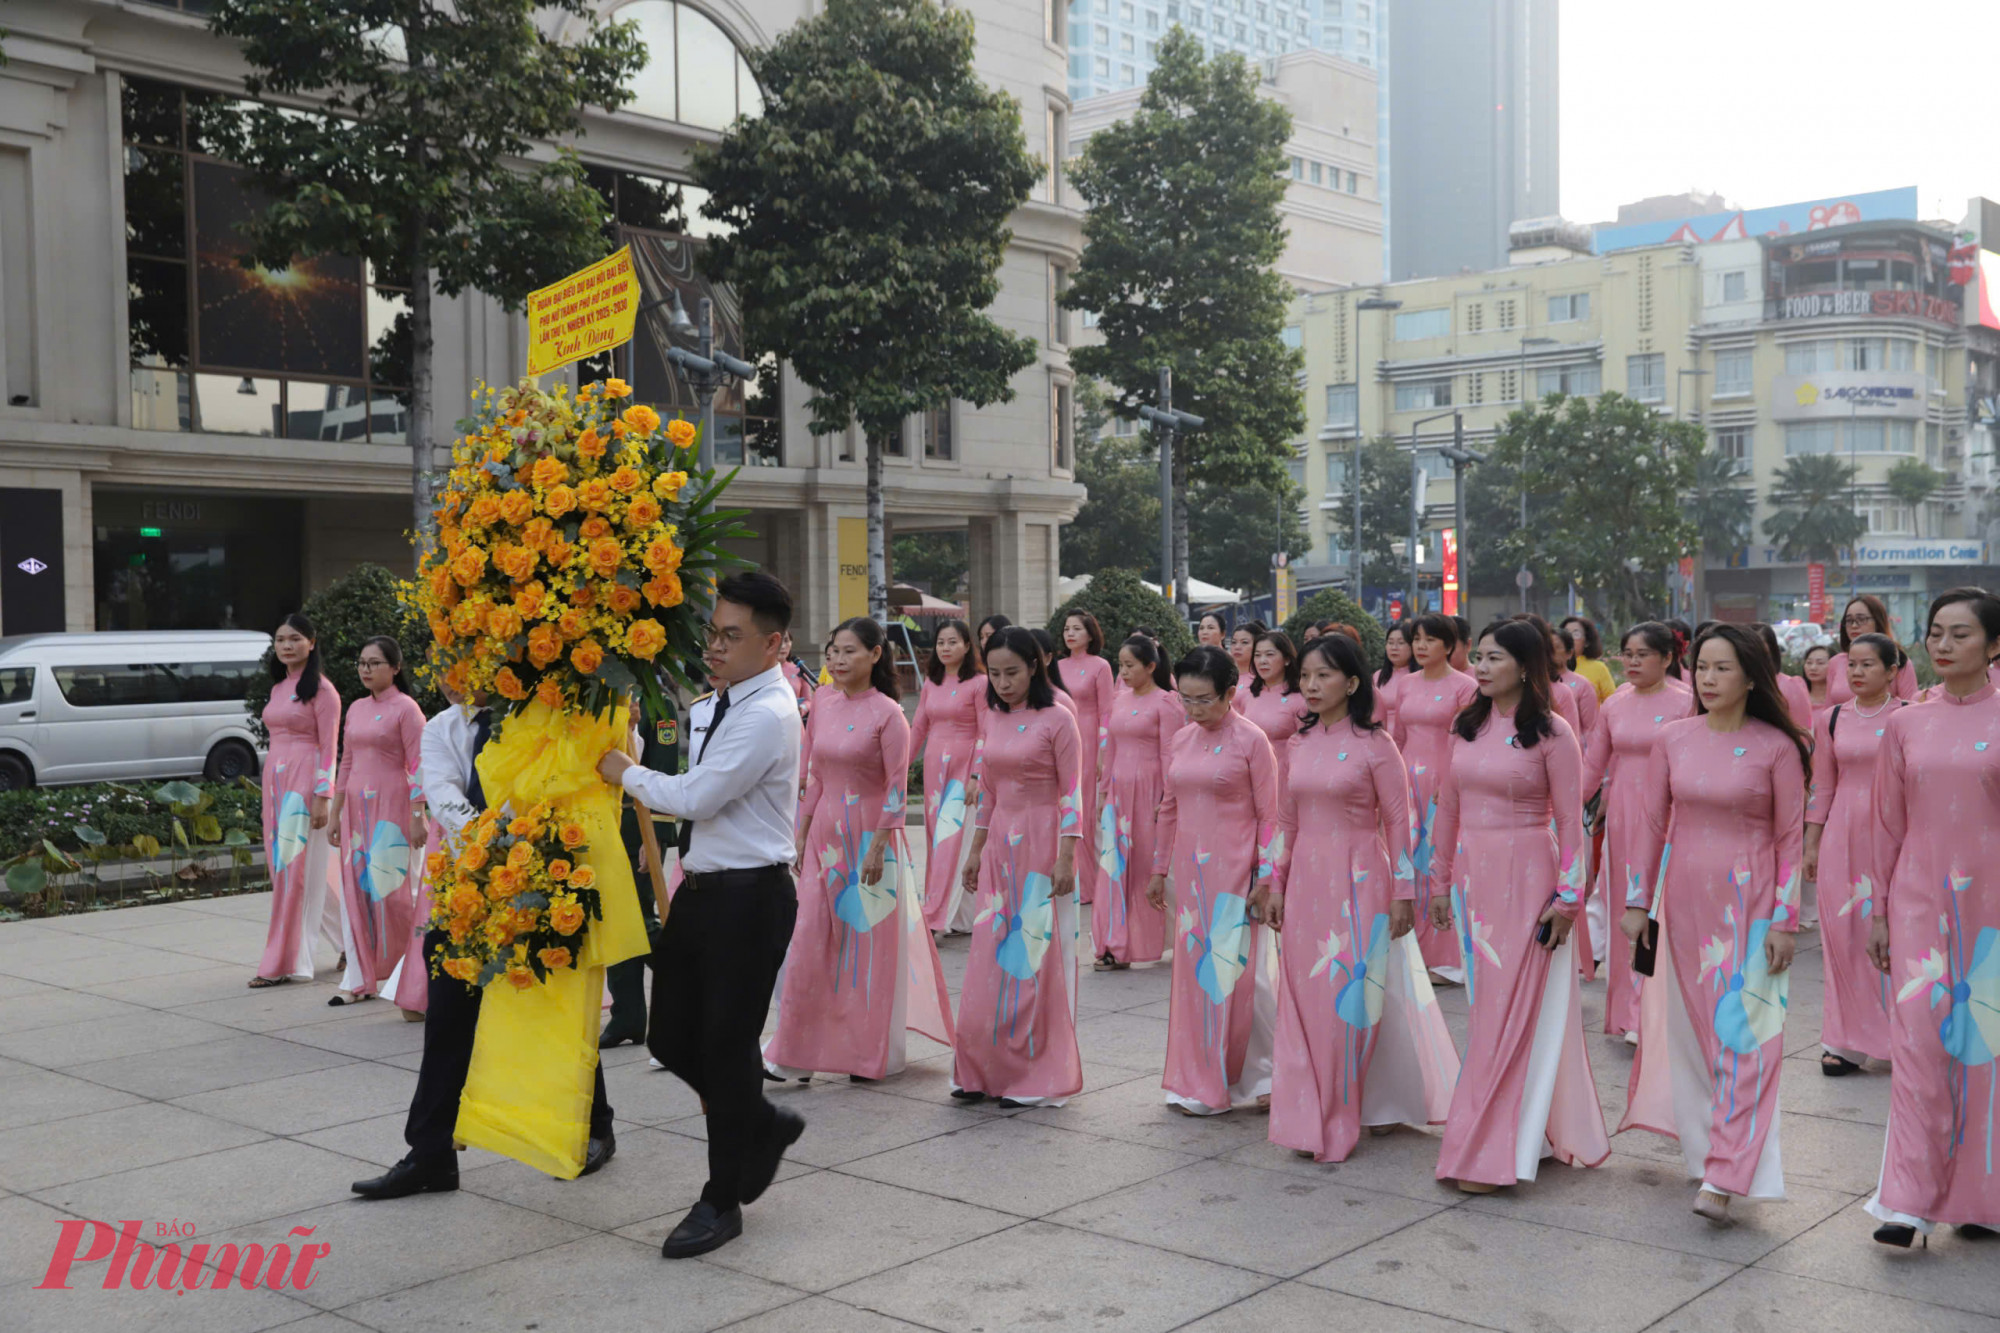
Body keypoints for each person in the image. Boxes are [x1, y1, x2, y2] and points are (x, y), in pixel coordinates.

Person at [596, 571, 807, 1259]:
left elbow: (700, 795)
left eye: (731, 635)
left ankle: (721, 1199)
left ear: (774, 644)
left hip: (752, 896)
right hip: (704, 887)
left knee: (724, 1045)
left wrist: (622, 769)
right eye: (713, 632)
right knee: (669, 1038)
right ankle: (761, 1121)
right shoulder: (716, 701)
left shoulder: (769, 712)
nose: (714, 646)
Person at [353, 685, 620, 1203]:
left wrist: (532, 855)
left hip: (540, 880)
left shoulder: (539, 719)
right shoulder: (441, 728)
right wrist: (502, 847)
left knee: (552, 1008)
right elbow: (446, 796)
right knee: (448, 1022)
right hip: (470, 892)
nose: (456, 672)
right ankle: (430, 1154)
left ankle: (593, 1126)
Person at [1620, 623, 1809, 1229]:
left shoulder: (1777, 748)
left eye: (1723, 668)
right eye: (1702, 666)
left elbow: (1789, 842)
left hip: (1752, 906)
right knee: (1703, 1036)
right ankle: (1711, 1154)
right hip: (1685, 905)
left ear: (1752, 677)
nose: (1708, 677)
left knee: (1747, 1038)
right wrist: (1636, 902)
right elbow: (1650, 827)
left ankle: (1728, 1174)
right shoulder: (1673, 739)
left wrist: (1786, 920)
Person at [1267, 633, 1459, 1162]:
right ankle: (1309, 1111)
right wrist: (1274, 884)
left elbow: (1401, 823)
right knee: (1306, 997)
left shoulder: (1377, 745)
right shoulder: (1297, 744)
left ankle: (1339, 1114)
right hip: (1305, 880)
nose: (1310, 685)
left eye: (1322, 675)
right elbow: (1285, 821)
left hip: (1360, 881)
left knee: (1351, 1000)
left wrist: (1404, 893)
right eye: (1304, 676)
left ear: (1352, 683)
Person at [1428, 620, 1603, 1193]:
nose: (1478, 666)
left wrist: (1570, 900)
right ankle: (1525, 1133)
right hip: (1474, 881)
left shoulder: (1553, 732)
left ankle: (1493, 1151)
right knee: (1486, 1013)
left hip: (1530, 876)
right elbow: (1447, 809)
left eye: (1493, 658)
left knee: (1513, 1013)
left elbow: (1571, 823)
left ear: (1525, 667)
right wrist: (1438, 881)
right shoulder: (1466, 727)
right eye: (1477, 656)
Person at [1861, 586, 2000, 1247]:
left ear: (1994, 644)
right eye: (1936, 633)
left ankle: (1981, 1195)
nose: (1942, 645)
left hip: (1992, 912)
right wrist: (1879, 911)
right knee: (1918, 1047)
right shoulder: (1906, 723)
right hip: (1917, 905)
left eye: (1960, 634)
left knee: (1984, 1052)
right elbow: (1885, 826)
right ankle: (1909, 1202)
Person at [764, 617, 951, 1083]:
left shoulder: (890, 713)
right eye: (833, 651)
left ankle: (869, 1054)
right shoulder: (823, 702)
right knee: (809, 941)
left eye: (849, 651)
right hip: (825, 836)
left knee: (867, 949)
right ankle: (795, 1055)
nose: (838, 660)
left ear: (875, 654)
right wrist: (801, 832)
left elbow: (895, 786)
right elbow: (815, 775)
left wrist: (879, 847)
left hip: (872, 840)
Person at [950, 626, 1085, 1107]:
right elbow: (987, 791)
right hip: (1000, 844)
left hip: (1043, 841)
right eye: (995, 673)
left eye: (1013, 672)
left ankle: (1033, 1072)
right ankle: (981, 1069)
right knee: (989, 953)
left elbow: (1073, 791)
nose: (1004, 682)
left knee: (1034, 953)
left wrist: (1067, 856)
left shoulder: (1058, 718)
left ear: (1035, 666)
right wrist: (974, 850)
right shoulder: (993, 716)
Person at [1147, 646, 1281, 1116]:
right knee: (1198, 978)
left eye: (1204, 699)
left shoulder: (1252, 741)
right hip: (1192, 875)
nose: (1193, 709)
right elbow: (1169, 807)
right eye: (1185, 699)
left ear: (1229, 693)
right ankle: (1202, 1076)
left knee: (1241, 979)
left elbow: (1271, 817)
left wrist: (1267, 879)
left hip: (1237, 873)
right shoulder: (1182, 739)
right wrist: (1158, 868)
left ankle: (1260, 1073)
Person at [1579, 622, 1693, 1036]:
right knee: (1622, 908)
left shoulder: (1687, 703)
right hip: (1624, 817)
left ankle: (1654, 1013)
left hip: (1670, 817)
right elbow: (1592, 765)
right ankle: (1630, 1014)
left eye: (1642, 654)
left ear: (1667, 658)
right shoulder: (1615, 705)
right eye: (1627, 653)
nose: (1632, 661)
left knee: (1657, 909)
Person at [1802, 632, 1903, 1078]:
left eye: (1868, 665)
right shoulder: (1831, 719)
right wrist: (1811, 842)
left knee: (1895, 936)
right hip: (1842, 837)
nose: (1856, 673)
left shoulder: (1910, 718)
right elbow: (1822, 785)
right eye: (1851, 666)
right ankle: (1842, 1042)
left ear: (1892, 671)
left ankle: (1901, 1036)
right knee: (1842, 938)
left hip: (1896, 837)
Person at [325, 637, 426, 1006]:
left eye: (375, 663)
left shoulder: (407, 709)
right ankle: (360, 977)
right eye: (362, 663)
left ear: (395, 668)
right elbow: (346, 762)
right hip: (355, 812)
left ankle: (404, 974)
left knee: (394, 893)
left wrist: (418, 816)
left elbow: (418, 767)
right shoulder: (355, 708)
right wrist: (335, 813)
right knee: (358, 893)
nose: (366, 669)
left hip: (393, 809)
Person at [252, 614, 342, 987]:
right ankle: (351, 940)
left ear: (312, 642)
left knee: (294, 872)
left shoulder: (323, 691)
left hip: (304, 786)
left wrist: (323, 796)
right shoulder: (278, 687)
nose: (286, 646)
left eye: (294, 639)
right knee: (288, 871)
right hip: (275, 783)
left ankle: (287, 962)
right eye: (280, 640)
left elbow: (329, 747)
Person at [1391, 614, 1478, 984]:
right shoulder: (1406, 684)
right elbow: (1396, 737)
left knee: (1440, 862)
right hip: (1407, 779)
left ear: (1449, 645)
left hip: (1444, 783)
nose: (1421, 646)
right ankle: (1413, 953)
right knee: (1408, 858)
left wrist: (1453, 780)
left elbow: (1468, 739)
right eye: (1417, 640)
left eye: (1429, 640)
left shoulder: (1465, 686)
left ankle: (1445, 959)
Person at [1093, 634, 1179, 971]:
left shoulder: (1167, 702)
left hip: (1150, 792)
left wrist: (1167, 798)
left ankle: (1163, 936)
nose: (1123, 671)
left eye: (1130, 665)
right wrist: (1103, 793)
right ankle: (1112, 944)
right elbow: (1110, 751)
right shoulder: (1119, 699)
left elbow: (1171, 753)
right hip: (1118, 794)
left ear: (1151, 667)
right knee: (1114, 869)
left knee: (1147, 869)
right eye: (1121, 665)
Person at [910, 618, 986, 934]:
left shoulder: (979, 683)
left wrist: (977, 775)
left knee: (951, 839)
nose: (945, 648)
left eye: (953, 641)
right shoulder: (932, 681)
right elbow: (919, 727)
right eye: (941, 642)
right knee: (934, 838)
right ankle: (960, 916)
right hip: (934, 766)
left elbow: (987, 730)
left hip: (963, 766)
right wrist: (901, 769)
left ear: (967, 646)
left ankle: (935, 915)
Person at [1058, 612, 1115, 908]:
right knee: (1064, 808)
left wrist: (1104, 753)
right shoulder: (1057, 666)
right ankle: (1070, 877)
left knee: (1087, 814)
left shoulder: (1101, 666)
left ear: (1090, 634)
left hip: (1090, 741)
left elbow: (1108, 712)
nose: (1070, 633)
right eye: (1067, 628)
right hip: (1061, 739)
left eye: (1077, 629)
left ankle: (1091, 886)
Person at [1826, 594, 1919, 706]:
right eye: (1849, 620)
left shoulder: (1899, 661)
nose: (1854, 625)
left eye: (1861, 619)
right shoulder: (1835, 663)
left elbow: (1911, 708)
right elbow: (1829, 710)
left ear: (1878, 621)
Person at [1241, 630, 1304, 785]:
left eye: (1269, 654)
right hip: (1249, 777)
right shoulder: (1248, 696)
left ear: (1287, 659)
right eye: (1257, 655)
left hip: (1285, 779)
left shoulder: (1300, 699)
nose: (1262, 661)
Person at [1754, 622, 1814, 732]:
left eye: (1762, 649)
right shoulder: (1735, 685)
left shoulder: (1790, 685)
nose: (1755, 655)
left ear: (1772, 650)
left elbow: (1803, 729)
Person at [1561, 615, 1617, 703]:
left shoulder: (1599, 668)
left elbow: (1612, 702)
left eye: (1576, 634)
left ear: (1586, 642)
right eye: (1566, 633)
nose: (1570, 639)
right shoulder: (1552, 667)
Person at [1375, 620, 1416, 734]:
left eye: (1401, 643)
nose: (1394, 647)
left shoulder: (1419, 677)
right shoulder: (1377, 676)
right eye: (1390, 642)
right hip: (1381, 738)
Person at [1226, 620, 1267, 705]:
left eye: (1244, 642)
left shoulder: (1263, 679)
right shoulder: (1223, 675)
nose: (1237, 647)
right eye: (1233, 642)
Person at [1800, 642, 1834, 715]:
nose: (1813, 668)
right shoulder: (1797, 698)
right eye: (1809, 663)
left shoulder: (1839, 699)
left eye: (1820, 663)